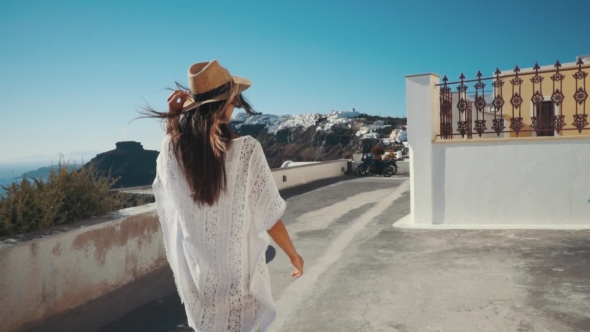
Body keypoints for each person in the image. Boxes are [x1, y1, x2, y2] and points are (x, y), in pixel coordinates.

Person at [139, 60, 303, 331]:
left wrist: (173, 121)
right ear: (224, 102)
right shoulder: (247, 151)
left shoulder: (171, 149)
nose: (236, 106)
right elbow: (270, 217)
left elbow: (168, 183)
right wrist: (294, 256)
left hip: (200, 281)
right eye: (233, 101)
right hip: (241, 282)